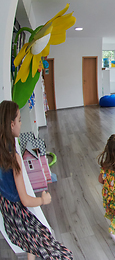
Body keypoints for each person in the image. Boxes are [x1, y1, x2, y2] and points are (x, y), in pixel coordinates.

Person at [0, 100, 73, 260]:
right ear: (11, 124)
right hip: (18, 213)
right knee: (59, 252)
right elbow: (25, 200)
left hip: (6, 210)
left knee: (30, 241)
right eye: (19, 120)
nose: (21, 123)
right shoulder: (14, 157)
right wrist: (43, 199)